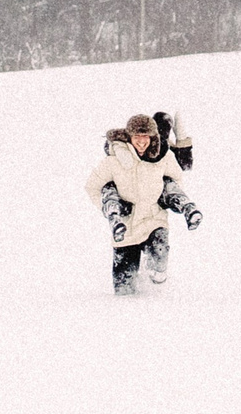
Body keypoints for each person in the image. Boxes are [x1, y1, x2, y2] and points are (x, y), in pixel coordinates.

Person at [83, 111, 202, 295]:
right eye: (136, 137)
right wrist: (110, 209)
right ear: (129, 137)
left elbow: (176, 178)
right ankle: (115, 217)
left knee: (158, 264)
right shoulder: (113, 160)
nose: (141, 141)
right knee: (124, 292)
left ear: (152, 137)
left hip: (154, 220)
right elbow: (93, 187)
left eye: (145, 137)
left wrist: (164, 199)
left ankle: (158, 297)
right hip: (125, 227)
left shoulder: (163, 156)